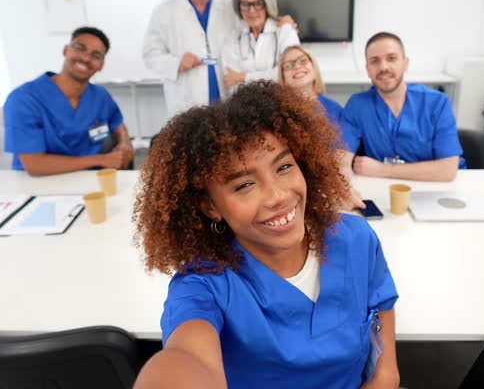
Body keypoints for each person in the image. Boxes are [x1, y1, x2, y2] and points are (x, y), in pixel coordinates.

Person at [132, 82, 399, 389]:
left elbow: (381, 305)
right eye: (244, 185)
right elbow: (186, 358)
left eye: (284, 166)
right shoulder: (204, 286)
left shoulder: (355, 239)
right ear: (210, 206)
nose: (278, 196)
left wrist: (386, 375)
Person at [143, 0, 297, 118]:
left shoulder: (230, 6)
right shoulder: (165, 11)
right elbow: (150, 55)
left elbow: (255, 25)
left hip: (228, 100)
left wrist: (281, 22)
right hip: (187, 100)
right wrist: (176, 62)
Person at [3, 27, 134, 175]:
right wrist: (100, 160)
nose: (86, 58)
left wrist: (125, 143)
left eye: (96, 55)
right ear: (66, 50)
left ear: (101, 65)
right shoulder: (24, 99)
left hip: (88, 179)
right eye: (80, 48)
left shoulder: (100, 96)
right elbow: (34, 165)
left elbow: (116, 123)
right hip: (39, 183)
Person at [339, 32, 465, 182]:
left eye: (391, 58)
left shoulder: (437, 103)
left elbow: (447, 170)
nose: (383, 67)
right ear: (367, 69)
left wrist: (384, 170)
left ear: (405, 63)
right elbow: (341, 160)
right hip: (382, 188)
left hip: (436, 188)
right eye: (375, 61)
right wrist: (344, 190)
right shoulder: (357, 105)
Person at [220, 0, 299, 95]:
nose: (251, 11)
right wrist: (270, 76)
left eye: (257, 3)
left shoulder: (285, 32)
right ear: (239, 7)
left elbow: (288, 74)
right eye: (245, 4)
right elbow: (231, 81)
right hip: (244, 107)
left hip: (281, 104)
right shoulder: (233, 37)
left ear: (267, 5)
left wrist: (244, 77)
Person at [278, 45, 342, 125]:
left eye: (302, 61)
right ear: (283, 77)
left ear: (314, 67)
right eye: (289, 65)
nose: (297, 67)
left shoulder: (335, 109)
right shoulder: (276, 113)